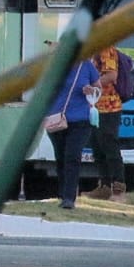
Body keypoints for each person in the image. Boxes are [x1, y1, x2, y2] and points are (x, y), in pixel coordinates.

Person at [43, 57, 99, 209]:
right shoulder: (55, 65)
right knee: (60, 157)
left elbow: (98, 88)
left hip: (80, 120)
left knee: (72, 156)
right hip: (56, 119)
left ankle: (69, 198)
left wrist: (91, 91)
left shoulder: (87, 66)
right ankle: (62, 194)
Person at [84, 43, 132, 200]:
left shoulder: (105, 48)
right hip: (95, 107)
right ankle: (104, 186)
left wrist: (92, 85)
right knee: (97, 147)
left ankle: (119, 186)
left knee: (110, 146)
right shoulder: (92, 50)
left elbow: (112, 75)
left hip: (109, 107)